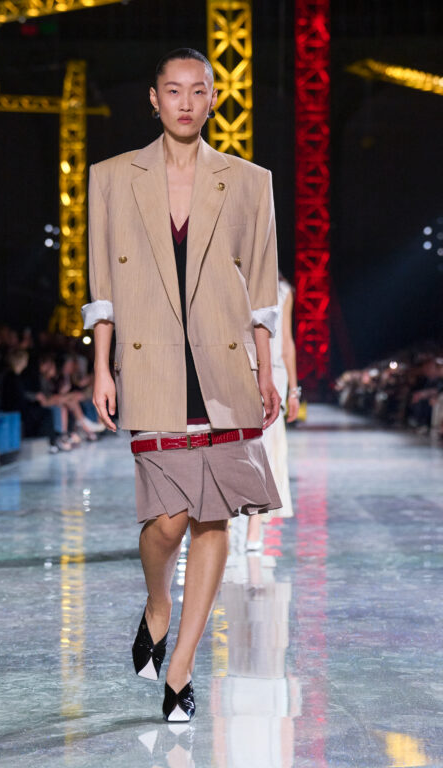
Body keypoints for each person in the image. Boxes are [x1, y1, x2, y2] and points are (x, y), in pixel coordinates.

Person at [82, 48, 282, 722]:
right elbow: (103, 285)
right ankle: (157, 601)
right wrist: (101, 366)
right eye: (174, 91)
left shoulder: (249, 180)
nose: (186, 103)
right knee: (166, 523)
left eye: (199, 91)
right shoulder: (111, 177)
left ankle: (183, 667)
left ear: (214, 98)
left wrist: (265, 368)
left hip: (224, 367)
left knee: (213, 517)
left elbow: (261, 285)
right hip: (151, 362)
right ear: (154, 98)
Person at [246, 274, 301, 550]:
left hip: (275, 373)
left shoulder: (283, 290)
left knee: (264, 448)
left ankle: (254, 524)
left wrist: (294, 390)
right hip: (240, 366)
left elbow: (287, 341)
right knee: (234, 443)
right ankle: (228, 519)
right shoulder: (238, 277)